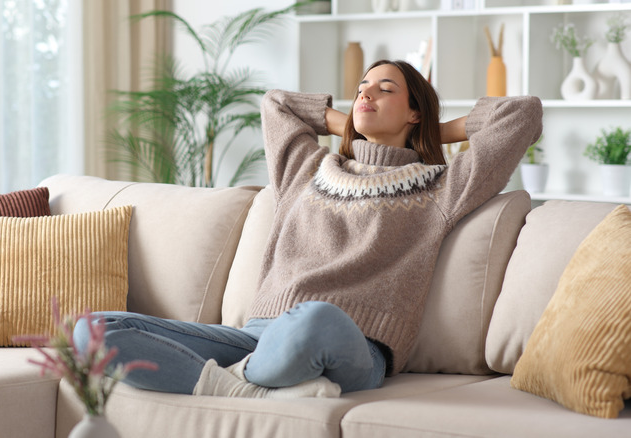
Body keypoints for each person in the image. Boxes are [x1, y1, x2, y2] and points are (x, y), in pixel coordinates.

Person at [74, 59, 543, 398]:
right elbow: (276, 104)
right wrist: (352, 127)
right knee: (90, 331)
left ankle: (254, 377)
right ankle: (248, 390)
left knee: (316, 316)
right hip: (257, 336)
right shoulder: (306, 169)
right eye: (362, 87)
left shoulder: (441, 187)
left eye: (385, 89)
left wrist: (434, 131)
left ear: (415, 111)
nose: (366, 95)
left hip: (350, 343)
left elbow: (520, 114)